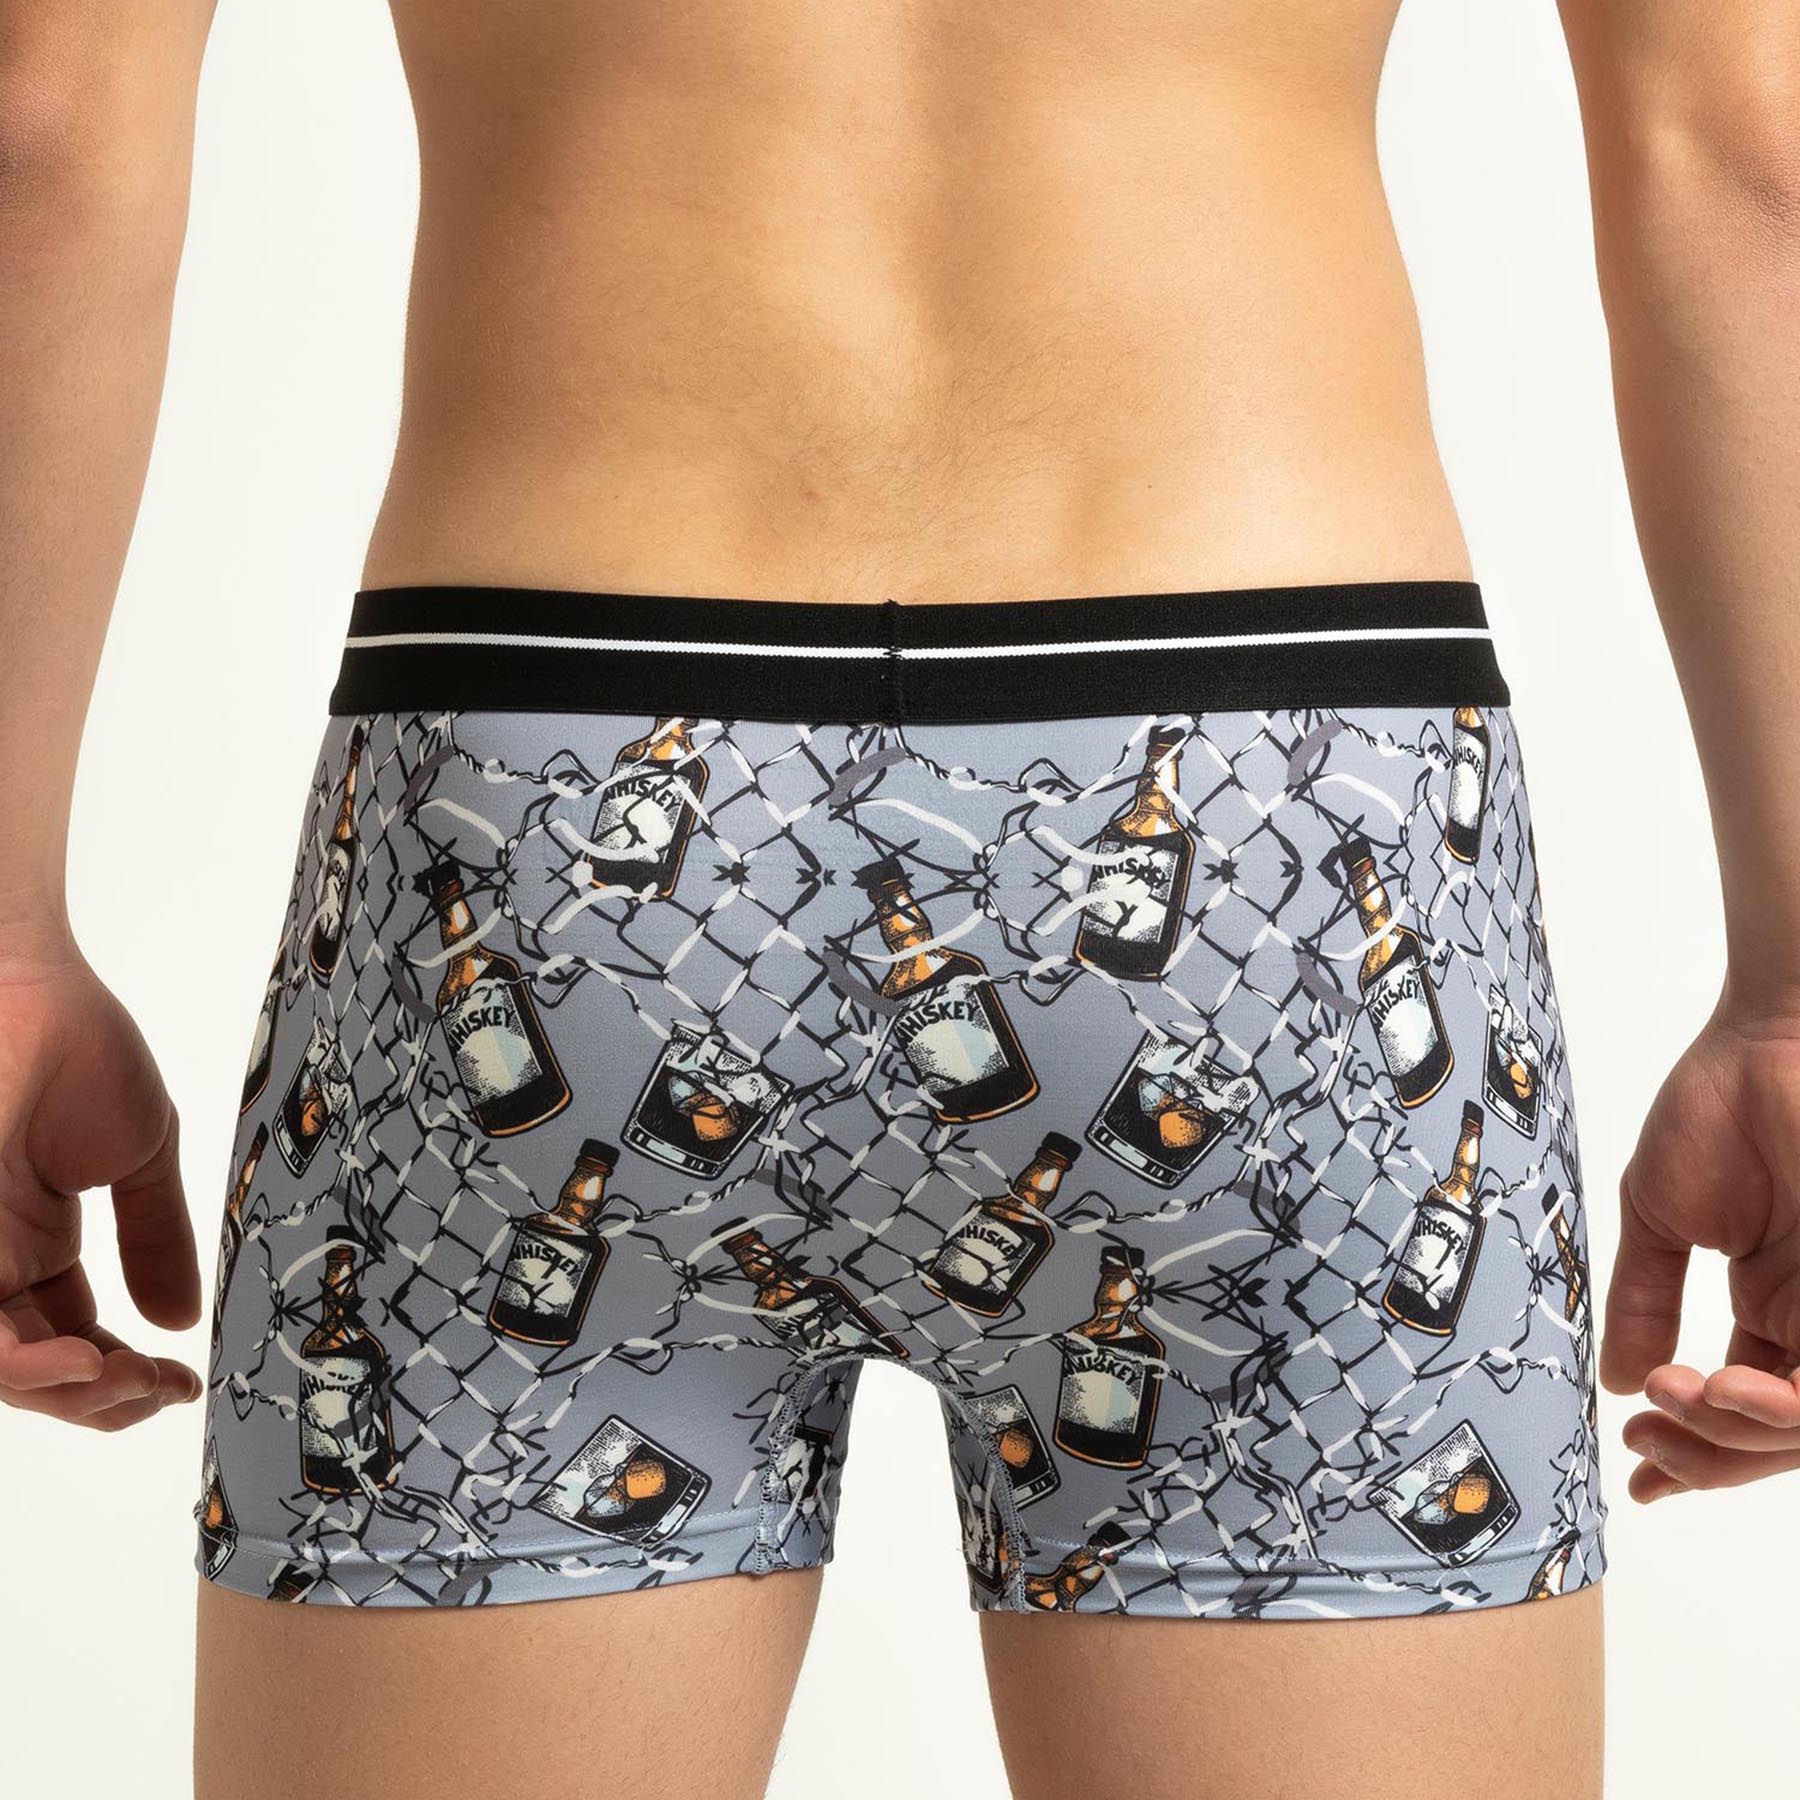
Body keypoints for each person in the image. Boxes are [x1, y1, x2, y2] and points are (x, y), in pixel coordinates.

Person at [2, 3, 1796, 1797]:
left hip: (540, 804)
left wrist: (4, 939)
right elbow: (1743, 160)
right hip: (1281, 808)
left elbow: (45, 137)